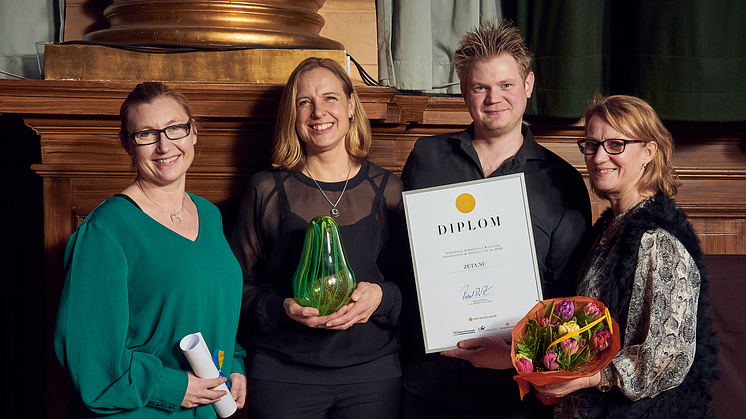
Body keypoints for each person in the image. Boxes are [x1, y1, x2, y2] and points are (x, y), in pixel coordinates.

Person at [399, 19, 592, 418]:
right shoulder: (426, 158)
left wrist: (515, 355)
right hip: (428, 384)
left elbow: (565, 299)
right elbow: (405, 262)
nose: (493, 98)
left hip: (515, 395)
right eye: (480, 87)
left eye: (505, 85)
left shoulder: (562, 182)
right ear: (464, 92)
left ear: (528, 85)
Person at [54, 82, 247, 418]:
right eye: (147, 134)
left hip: (209, 406)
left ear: (194, 132)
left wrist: (233, 363)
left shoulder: (210, 215)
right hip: (141, 411)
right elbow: (90, 356)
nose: (164, 145)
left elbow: (211, 310)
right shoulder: (105, 230)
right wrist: (171, 387)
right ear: (127, 144)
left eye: (175, 128)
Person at [230, 57, 406, 419]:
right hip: (282, 375)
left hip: (372, 376)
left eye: (330, 98)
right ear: (291, 116)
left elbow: (411, 287)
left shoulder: (388, 189)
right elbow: (235, 288)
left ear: (351, 106)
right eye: (303, 102)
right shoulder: (266, 189)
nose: (317, 112)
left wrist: (380, 295)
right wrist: (283, 308)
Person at [534, 94, 720, 418]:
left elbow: (668, 355)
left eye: (615, 144)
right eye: (591, 145)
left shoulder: (660, 241)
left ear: (649, 151)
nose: (599, 156)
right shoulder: (607, 229)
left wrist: (586, 378)